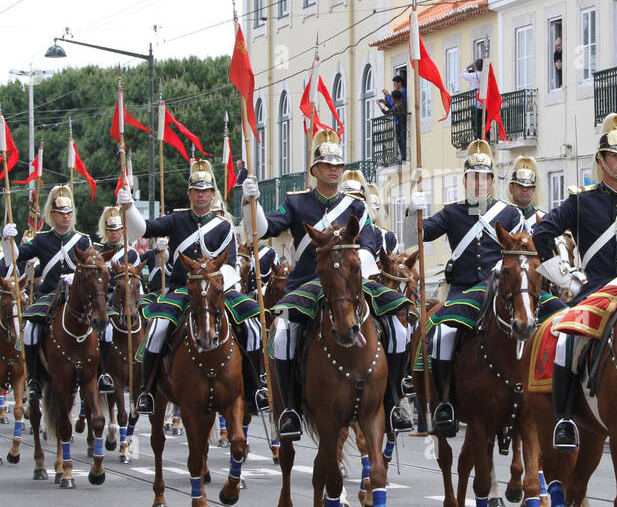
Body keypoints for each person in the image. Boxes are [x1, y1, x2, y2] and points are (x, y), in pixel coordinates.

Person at [241, 129, 412, 438]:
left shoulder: (356, 207)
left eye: (338, 166)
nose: (334, 170)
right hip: (307, 283)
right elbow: (265, 228)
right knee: (281, 335)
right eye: (328, 165)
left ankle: (394, 402)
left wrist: (357, 269)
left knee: (399, 328)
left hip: (349, 285)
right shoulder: (296, 205)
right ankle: (291, 409)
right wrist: (249, 203)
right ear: (315, 170)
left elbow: (370, 243)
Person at [534, 113, 617, 450]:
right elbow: (541, 232)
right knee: (566, 341)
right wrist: (566, 278)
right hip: (595, 291)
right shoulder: (580, 201)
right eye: (614, 158)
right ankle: (564, 418)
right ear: (601, 161)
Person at [119, 159, 265, 416]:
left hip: (218, 290)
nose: (201, 195)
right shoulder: (176, 220)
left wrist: (216, 286)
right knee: (157, 328)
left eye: (205, 191)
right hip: (182, 290)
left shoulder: (224, 226)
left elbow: (230, 265)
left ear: (212, 194)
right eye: (196, 191)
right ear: (190, 194)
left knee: (254, 324)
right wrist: (129, 207)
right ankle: (147, 390)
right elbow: (144, 229)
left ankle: (256, 387)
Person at [407, 139, 524, 434]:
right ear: (465, 181)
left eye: (485, 177)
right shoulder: (452, 212)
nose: (480, 183)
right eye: (474, 177)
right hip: (462, 291)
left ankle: (526, 395)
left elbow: (523, 252)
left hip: (499, 290)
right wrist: (413, 209)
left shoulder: (509, 215)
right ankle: (445, 402)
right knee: (441, 335)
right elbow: (418, 235)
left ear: (492, 181)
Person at [5, 185, 93, 399]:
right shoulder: (42, 239)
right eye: (61, 214)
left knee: (105, 326)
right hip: (49, 296)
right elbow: (17, 256)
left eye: (69, 213)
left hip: (77, 295)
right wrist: (9, 241)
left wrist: (79, 276)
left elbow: (93, 263)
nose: (66, 217)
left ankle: (101, 374)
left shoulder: (82, 240)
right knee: (31, 330)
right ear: (53, 215)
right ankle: (34, 378)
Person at [93, 204, 142, 391]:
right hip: (104, 299)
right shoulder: (98, 251)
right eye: (111, 230)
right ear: (105, 231)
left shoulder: (132, 252)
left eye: (118, 229)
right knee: (104, 331)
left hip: (129, 299)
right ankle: (103, 371)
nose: (115, 233)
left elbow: (137, 281)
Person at [507, 156, 547, 233]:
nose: (525, 189)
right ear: (511, 188)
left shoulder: (543, 219)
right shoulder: (502, 216)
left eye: (529, 186)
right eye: (520, 185)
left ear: (534, 190)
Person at [461, 59, 484, 140]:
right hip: (484, 103)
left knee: (475, 123)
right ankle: (485, 137)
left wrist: (468, 67)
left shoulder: (474, 76)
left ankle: (477, 138)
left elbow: (463, 74)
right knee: (483, 121)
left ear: (476, 66)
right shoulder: (485, 75)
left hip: (475, 103)